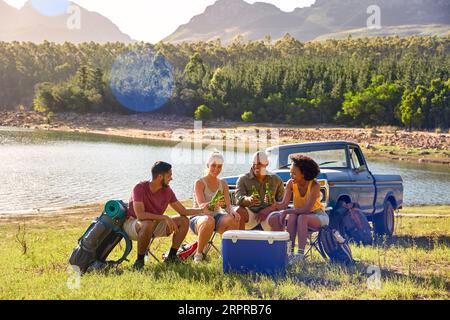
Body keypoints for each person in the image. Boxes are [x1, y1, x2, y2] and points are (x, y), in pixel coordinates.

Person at [123, 161, 211, 270]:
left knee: (184, 221)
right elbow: (140, 215)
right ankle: (139, 261)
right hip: (133, 224)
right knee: (147, 223)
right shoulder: (139, 188)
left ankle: (172, 257)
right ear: (160, 177)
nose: (171, 178)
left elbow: (182, 211)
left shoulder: (167, 191)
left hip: (154, 225)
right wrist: (164, 217)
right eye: (169, 176)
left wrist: (202, 209)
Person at [269, 155, 329, 264]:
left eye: (294, 173)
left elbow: (306, 209)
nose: (291, 176)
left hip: (318, 215)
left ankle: (300, 255)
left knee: (302, 217)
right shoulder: (290, 184)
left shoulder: (314, 185)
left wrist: (286, 211)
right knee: (293, 216)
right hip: (299, 215)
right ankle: (290, 253)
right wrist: (273, 203)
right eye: (290, 172)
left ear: (304, 174)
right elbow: (283, 205)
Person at [190, 152, 241, 263]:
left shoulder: (223, 183)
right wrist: (213, 202)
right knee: (209, 219)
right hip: (199, 217)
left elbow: (228, 206)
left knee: (234, 218)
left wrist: (232, 212)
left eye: (219, 166)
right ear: (208, 165)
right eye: (213, 165)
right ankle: (198, 255)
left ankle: (226, 253)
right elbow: (201, 207)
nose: (216, 169)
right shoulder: (199, 182)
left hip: (215, 217)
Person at [235, 151, 284, 231]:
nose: (256, 166)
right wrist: (249, 199)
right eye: (254, 163)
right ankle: (240, 241)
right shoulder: (243, 179)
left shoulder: (276, 180)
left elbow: (282, 203)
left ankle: (276, 242)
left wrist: (270, 209)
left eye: (259, 164)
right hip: (251, 215)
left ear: (267, 163)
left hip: (269, 215)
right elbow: (238, 199)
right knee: (238, 210)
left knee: (277, 215)